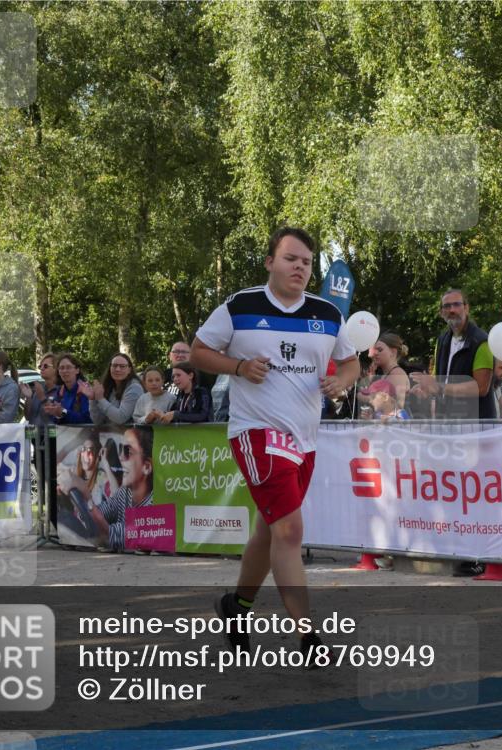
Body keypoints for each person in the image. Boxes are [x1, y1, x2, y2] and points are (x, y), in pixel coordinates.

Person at [190, 225, 358, 661]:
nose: (299, 267)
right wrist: (239, 366)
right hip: (257, 432)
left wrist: (339, 381)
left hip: (306, 439)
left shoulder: (326, 313)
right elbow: (198, 352)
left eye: (306, 261)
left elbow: (353, 363)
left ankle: (237, 607)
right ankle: (307, 639)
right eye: (290, 258)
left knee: (269, 528)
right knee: (290, 529)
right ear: (270, 262)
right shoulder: (239, 306)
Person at [409, 289, 497, 420]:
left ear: (466, 308)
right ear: (441, 312)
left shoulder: (481, 341)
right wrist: (427, 388)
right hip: (447, 420)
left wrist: (439, 387)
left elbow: (481, 387)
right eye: (447, 306)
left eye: (457, 304)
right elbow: (439, 379)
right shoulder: (442, 340)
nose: (452, 310)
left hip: (476, 423)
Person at [91, 352, 144, 426]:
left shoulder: (135, 388)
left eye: (122, 366)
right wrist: (92, 399)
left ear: (129, 370)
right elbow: (98, 421)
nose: (117, 369)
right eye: (114, 365)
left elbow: (120, 418)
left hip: (131, 436)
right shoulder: (109, 387)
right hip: (110, 435)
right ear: (110, 368)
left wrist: (100, 399)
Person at [44, 353, 92, 424]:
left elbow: (87, 419)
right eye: (61, 368)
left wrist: (63, 412)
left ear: (77, 370)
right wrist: (56, 413)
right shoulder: (60, 391)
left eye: (68, 367)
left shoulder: (85, 390)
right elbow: (54, 419)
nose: (64, 371)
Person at [366, 333, 411, 409]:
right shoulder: (387, 374)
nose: (375, 353)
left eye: (380, 350)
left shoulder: (396, 374)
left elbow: (396, 408)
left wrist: (364, 397)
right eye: (375, 350)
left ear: (393, 352)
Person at [21, 352, 58, 425]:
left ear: (56, 368)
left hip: (50, 435)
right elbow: (28, 417)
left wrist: (43, 398)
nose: (41, 368)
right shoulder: (38, 389)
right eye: (40, 366)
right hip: (33, 435)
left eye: (45, 366)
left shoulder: (61, 390)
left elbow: (59, 416)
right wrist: (28, 398)